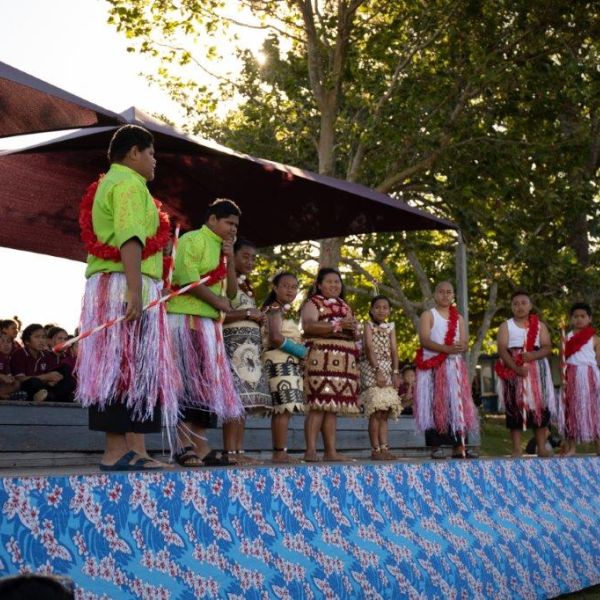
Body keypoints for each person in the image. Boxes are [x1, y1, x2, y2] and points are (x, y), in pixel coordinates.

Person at [76, 124, 181, 471]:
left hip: (120, 281)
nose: (155, 162)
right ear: (134, 152)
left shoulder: (116, 182)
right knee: (122, 365)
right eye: (152, 154)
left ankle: (133, 449)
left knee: (132, 366)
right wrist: (135, 290)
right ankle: (116, 451)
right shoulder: (128, 184)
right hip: (123, 282)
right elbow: (130, 238)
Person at [167, 198, 244, 467]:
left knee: (207, 386)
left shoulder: (224, 249)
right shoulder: (192, 240)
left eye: (236, 225)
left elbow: (232, 293)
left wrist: (230, 258)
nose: (233, 229)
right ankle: (182, 444)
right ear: (212, 219)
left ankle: (200, 445)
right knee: (187, 383)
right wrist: (217, 301)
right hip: (186, 320)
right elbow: (186, 278)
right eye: (228, 222)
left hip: (210, 326)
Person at [301, 268, 360, 462]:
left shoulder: (345, 305)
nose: (335, 285)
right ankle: (311, 450)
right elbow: (309, 326)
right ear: (319, 284)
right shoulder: (313, 303)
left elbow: (350, 329)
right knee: (318, 403)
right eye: (330, 281)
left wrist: (353, 331)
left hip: (342, 361)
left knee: (332, 406)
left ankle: (330, 451)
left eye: (338, 282)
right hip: (320, 357)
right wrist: (339, 326)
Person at [415, 281, 478, 459]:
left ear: (453, 296)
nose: (445, 295)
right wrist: (446, 349)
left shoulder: (458, 318)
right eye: (441, 292)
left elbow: (465, 343)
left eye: (449, 292)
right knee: (435, 405)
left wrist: (459, 347)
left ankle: (459, 446)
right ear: (435, 295)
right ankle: (436, 446)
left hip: (454, 367)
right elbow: (425, 340)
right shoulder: (429, 315)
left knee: (457, 406)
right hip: (433, 366)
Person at [222, 239, 272, 464]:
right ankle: (230, 452)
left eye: (253, 258)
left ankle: (240, 451)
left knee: (244, 402)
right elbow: (220, 315)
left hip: (248, 349)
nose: (250, 262)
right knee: (234, 401)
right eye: (245, 256)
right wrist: (249, 315)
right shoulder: (223, 279)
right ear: (232, 255)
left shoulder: (247, 284)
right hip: (232, 347)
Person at [496, 290, 555, 458]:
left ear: (530, 305)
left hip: (536, 369)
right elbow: (501, 349)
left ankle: (541, 447)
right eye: (515, 304)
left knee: (539, 407)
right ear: (511, 307)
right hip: (512, 367)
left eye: (523, 303)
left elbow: (547, 347)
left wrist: (533, 356)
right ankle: (516, 448)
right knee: (514, 407)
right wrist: (516, 368)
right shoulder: (506, 326)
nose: (519, 307)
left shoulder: (540, 326)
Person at [262, 272, 306, 463]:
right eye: (286, 286)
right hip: (279, 363)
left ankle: (281, 452)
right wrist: (301, 352)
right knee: (283, 408)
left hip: (287, 363)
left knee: (285, 409)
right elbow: (275, 338)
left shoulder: (281, 309)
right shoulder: (274, 308)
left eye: (294, 287)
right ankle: (280, 453)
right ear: (275, 288)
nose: (290, 290)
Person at [360, 295, 402, 460]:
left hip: (387, 368)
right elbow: (369, 347)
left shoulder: (391, 327)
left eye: (385, 307)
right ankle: (375, 450)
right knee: (376, 411)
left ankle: (385, 448)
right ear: (371, 310)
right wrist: (377, 370)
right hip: (372, 368)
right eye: (377, 307)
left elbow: (394, 350)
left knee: (384, 412)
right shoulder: (368, 325)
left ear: (390, 311)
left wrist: (396, 372)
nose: (381, 310)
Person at [559, 302, 600, 456]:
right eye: (575, 317)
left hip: (590, 377)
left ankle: (598, 446)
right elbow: (561, 361)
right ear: (571, 319)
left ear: (589, 318)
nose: (579, 319)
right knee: (571, 411)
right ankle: (572, 447)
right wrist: (563, 380)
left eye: (583, 316)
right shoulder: (566, 338)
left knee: (595, 411)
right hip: (571, 376)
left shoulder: (595, 339)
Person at [10, 324, 75, 402]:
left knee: (66, 372)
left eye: (43, 337)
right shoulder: (20, 353)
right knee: (34, 382)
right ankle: (50, 397)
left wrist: (54, 379)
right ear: (27, 341)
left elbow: (51, 377)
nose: (41, 340)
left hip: (44, 386)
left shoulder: (45, 355)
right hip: (27, 386)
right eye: (37, 337)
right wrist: (46, 377)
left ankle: (52, 397)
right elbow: (20, 379)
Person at [0, 332, 20, 399]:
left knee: (17, 383)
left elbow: (8, 374)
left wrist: (11, 379)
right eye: (2, 342)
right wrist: (1, 376)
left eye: (8, 342)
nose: (6, 344)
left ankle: (2, 393)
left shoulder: (7, 359)